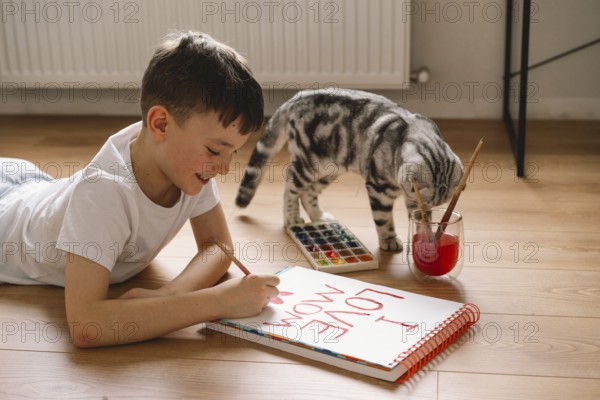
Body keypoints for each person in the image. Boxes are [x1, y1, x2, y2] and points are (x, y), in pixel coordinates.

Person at [0, 31, 280, 347]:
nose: (225, 168)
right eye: (216, 151)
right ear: (160, 124)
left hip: (32, 186)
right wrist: (218, 302)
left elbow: (218, 246)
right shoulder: (103, 193)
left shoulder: (185, 162)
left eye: (233, 152)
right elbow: (87, 325)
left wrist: (170, 294)